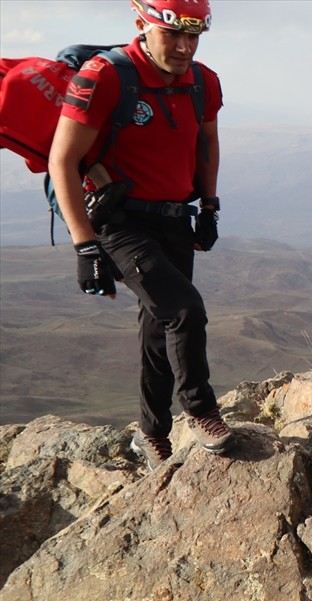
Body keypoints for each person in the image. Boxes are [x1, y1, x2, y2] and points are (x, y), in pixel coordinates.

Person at [47, 0, 230, 468]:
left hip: (173, 217)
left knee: (158, 326)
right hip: (119, 221)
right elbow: (62, 161)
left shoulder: (202, 82)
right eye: (173, 35)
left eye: (194, 36)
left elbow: (205, 141)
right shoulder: (105, 77)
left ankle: (151, 434)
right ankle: (201, 409)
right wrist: (84, 245)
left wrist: (208, 207)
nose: (185, 47)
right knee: (185, 310)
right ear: (141, 27)